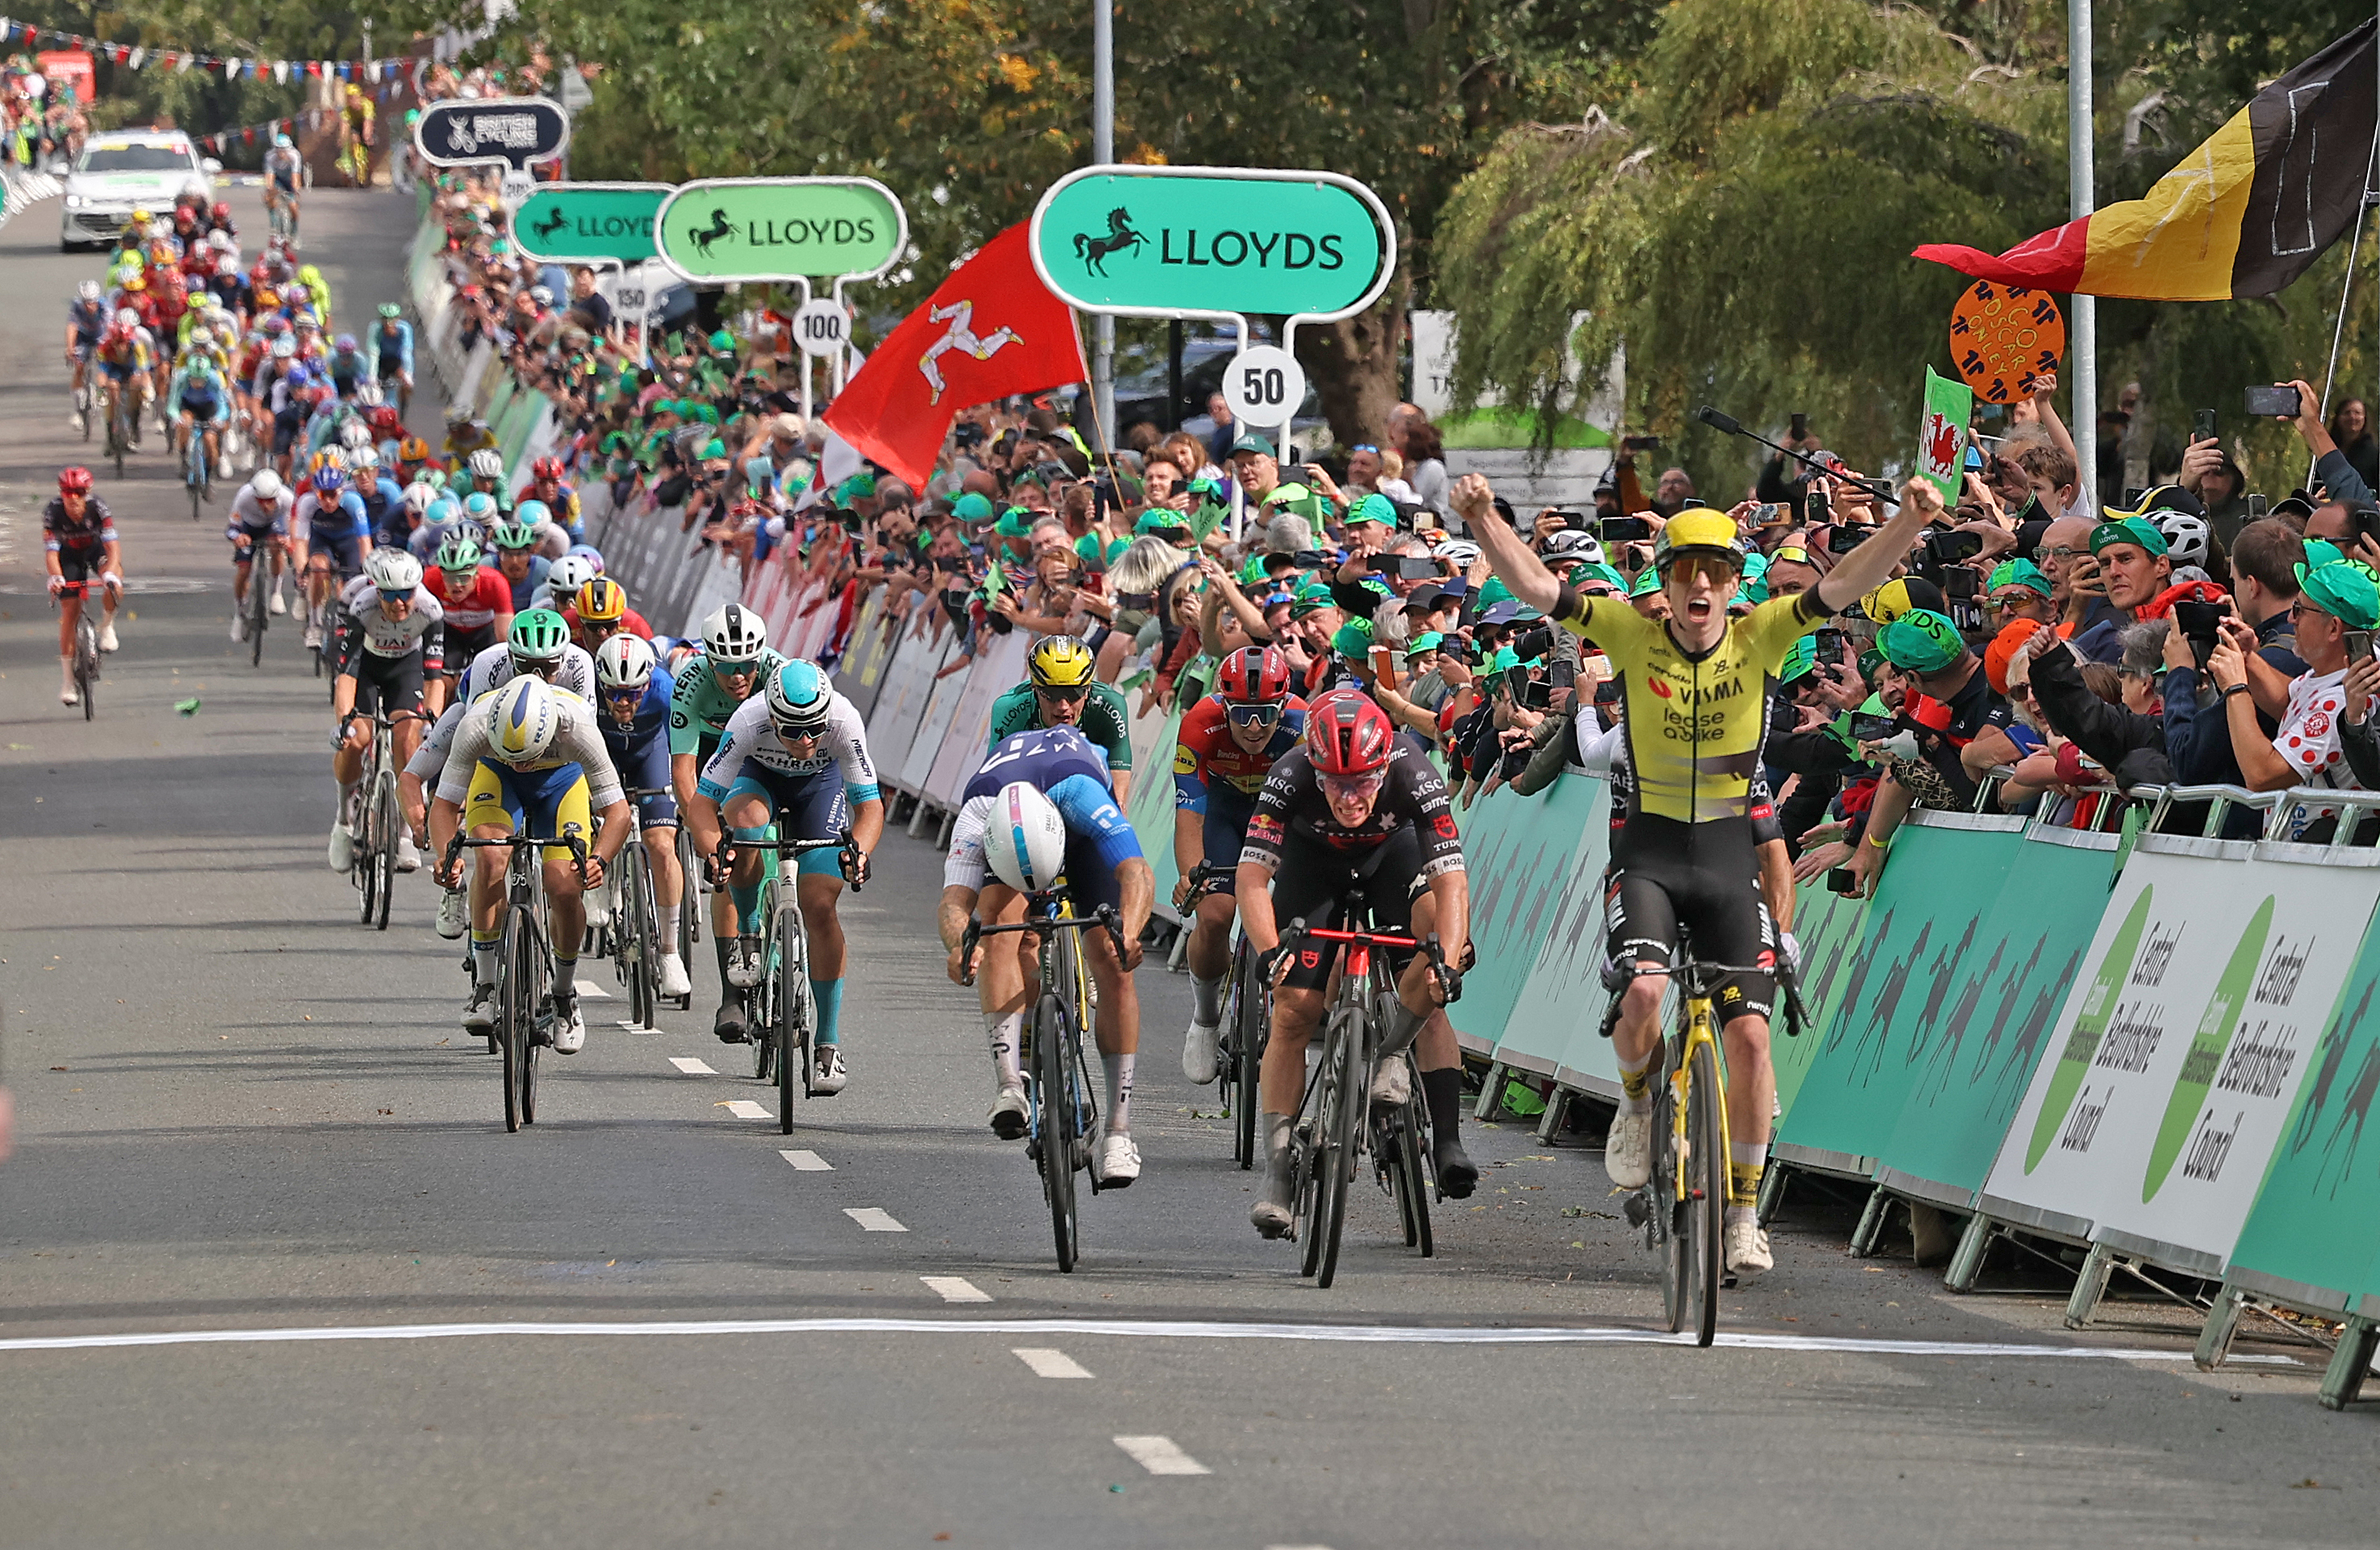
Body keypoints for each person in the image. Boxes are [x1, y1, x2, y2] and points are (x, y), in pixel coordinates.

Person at [1456, 466, 1934, 1277]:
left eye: (1716, 572)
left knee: (1749, 1038)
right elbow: (1539, 587)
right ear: (1667, 584)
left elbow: (1846, 583)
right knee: (1644, 992)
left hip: (1724, 862)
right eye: (1685, 572)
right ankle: (1639, 1100)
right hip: (1645, 858)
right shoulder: (1631, 635)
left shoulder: (1762, 636)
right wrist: (1482, 520)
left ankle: (1743, 1213)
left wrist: (1908, 524)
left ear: (1734, 583)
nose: (1702, 586)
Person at [1236, 690, 1479, 1235]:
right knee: (1293, 1012)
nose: (1349, 799)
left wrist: (1446, 957)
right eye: (1334, 783)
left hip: (1393, 855)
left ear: (1383, 766)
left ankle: (1399, 1063)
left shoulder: (1413, 771)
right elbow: (1252, 878)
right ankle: (1277, 1170)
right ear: (1314, 768)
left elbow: (1451, 881)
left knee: (1437, 954)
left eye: (1363, 782)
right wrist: (1270, 950)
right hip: (1312, 864)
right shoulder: (1289, 774)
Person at [939, 729, 1153, 1184]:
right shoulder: (978, 814)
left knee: (1113, 961)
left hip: (1074, 833)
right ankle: (1009, 1086)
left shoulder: (1080, 793)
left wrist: (1130, 934)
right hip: (1011, 834)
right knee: (996, 931)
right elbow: (954, 905)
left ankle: (1119, 1131)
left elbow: (1136, 872)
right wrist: (960, 945)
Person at [683, 661, 883, 1093]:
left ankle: (827, 1043)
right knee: (745, 828)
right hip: (759, 779)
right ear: (773, 719)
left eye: (814, 729)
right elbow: (702, 805)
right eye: (792, 730)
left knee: (820, 906)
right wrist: (715, 851)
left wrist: (860, 853)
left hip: (820, 788)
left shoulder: (844, 720)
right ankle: (749, 932)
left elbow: (869, 806)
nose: (806, 740)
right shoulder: (748, 720)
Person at [429, 677, 634, 1054]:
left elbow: (618, 813)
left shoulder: (577, 727)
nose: (521, 765)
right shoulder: (475, 725)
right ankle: (486, 985)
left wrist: (599, 860)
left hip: (562, 783)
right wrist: (447, 857)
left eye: (527, 756)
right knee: (490, 858)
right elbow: (443, 807)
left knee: (564, 886)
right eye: (511, 755)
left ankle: (564, 994)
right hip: (496, 778)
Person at [1173, 645, 1307, 1082]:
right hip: (1222, 810)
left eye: (1265, 714)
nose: (1253, 728)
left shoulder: (1303, 725)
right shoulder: (1199, 723)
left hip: (1280, 811)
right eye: (1242, 714)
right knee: (1215, 915)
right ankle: (1205, 1018)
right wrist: (1191, 876)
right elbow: (1190, 814)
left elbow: (1315, 810)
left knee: (1300, 912)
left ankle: (1290, 1024)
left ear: (1282, 707)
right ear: (1224, 706)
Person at [667, 604, 786, 1042]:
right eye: (726, 667)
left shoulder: (778, 674)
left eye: (746, 666)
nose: (738, 676)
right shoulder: (691, 683)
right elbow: (684, 772)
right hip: (714, 761)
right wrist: (708, 835)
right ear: (709, 661)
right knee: (728, 867)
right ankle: (731, 994)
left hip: (766, 758)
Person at [328, 548, 446, 873]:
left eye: (406, 594)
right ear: (377, 591)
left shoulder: (430, 610)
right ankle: (343, 820)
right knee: (356, 739)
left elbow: (434, 678)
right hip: (366, 668)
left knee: (408, 738)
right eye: (390, 595)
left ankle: (405, 832)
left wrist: (432, 722)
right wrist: (344, 723)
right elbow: (347, 675)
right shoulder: (361, 606)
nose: (399, 604)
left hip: (405, 670)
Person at [592, 635, 695, 1001]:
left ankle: (669, 951)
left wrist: (685, 799)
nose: (623, 703)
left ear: (648, 685)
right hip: (603, 755)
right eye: (614, 694)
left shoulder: (667, 691)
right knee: (594, 820)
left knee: (662, 846)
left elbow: (684, 750)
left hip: (650, 754)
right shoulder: (586, 688)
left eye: (634, 694)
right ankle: (600, 882)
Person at [985, 635, 1136, 803]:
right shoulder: (1011, 708)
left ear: (1088, 690)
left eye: (1074, 693)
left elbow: (1118, 798)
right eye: (1052, 694)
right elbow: (994, 785)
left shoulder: (1108, 707)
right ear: (1035, 688)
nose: (1063, 706)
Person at [42, 467, 123, 705]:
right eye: (68, 492)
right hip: (68, 556)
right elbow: (51, 553)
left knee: (115, 583)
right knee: (70, 611)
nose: (73, 497)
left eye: (79, 492)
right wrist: (56, 577)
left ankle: (107, 626)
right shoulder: (53, 512)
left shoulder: (98, 508)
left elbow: (113, 547)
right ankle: (68, 681)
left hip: (95, 549)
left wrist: (110, 573)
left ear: (88, 492)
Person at [423, 533, 514, 669]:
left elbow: (503, 637)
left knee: (488, 666)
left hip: (484, 631)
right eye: (450, 578)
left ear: (476, 575)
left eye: (463, 578)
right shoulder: (431, 578)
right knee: (445, 674)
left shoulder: (494, 583)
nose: (457, 585)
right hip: (450, 630)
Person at [227, 468, 295, 640]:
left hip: (273, 526)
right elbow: (231, 529)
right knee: (244, 570)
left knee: (277, 546)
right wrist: (238, 538)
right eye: (261, 500)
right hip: (248, 528)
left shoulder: (287, 498)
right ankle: (239, 612)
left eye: (270, 500)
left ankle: (276, 592)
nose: (265, 505)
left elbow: (296, 528)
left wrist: (289, 541)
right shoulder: (244, 496)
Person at [65, 278, 107, 424]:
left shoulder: (105, 307)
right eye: (87, 303)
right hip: (83, 337)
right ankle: (77, 410)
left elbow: (110, 329)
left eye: (93, 302)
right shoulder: (77, 307)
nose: (90, 306)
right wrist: (70, 348)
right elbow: (72, 327)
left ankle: (101, 392)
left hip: (101, 336)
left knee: (104, 364)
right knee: (79, 368)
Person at [372, 303, 413, 415]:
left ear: (397, 320)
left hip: (398, 361)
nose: (388, 327)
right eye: (385, 323)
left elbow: (406, 352)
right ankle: (378, 410)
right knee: (377, 386)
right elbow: (373, 353)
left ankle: (402, 413)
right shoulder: (375, 328)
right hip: (381, 360)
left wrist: (408, 374)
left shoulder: (405, 329)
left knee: (406, 386)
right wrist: (372, 375)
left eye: (392, 322)